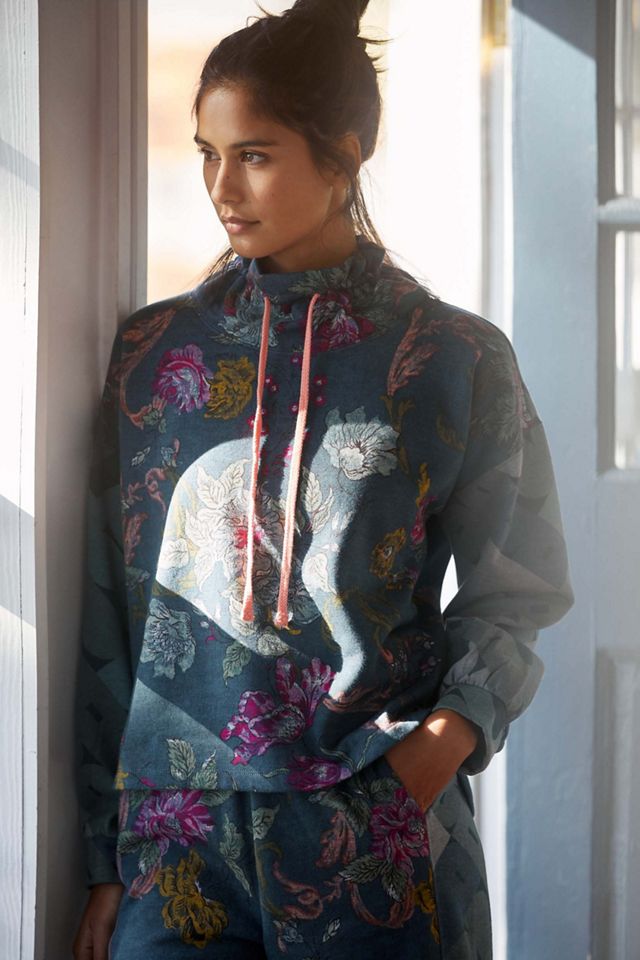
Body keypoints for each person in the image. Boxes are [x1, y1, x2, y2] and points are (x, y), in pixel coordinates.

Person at [72, 1, 574, 957]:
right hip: (177, 844)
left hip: (375, 832)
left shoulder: (454, 356)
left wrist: (433, 755)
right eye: (208, 153)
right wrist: (103, 854)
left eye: (254, 155)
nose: (222, 187)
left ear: (343, 157)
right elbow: (108, 614)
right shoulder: (153, 353)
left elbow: (520, 590)